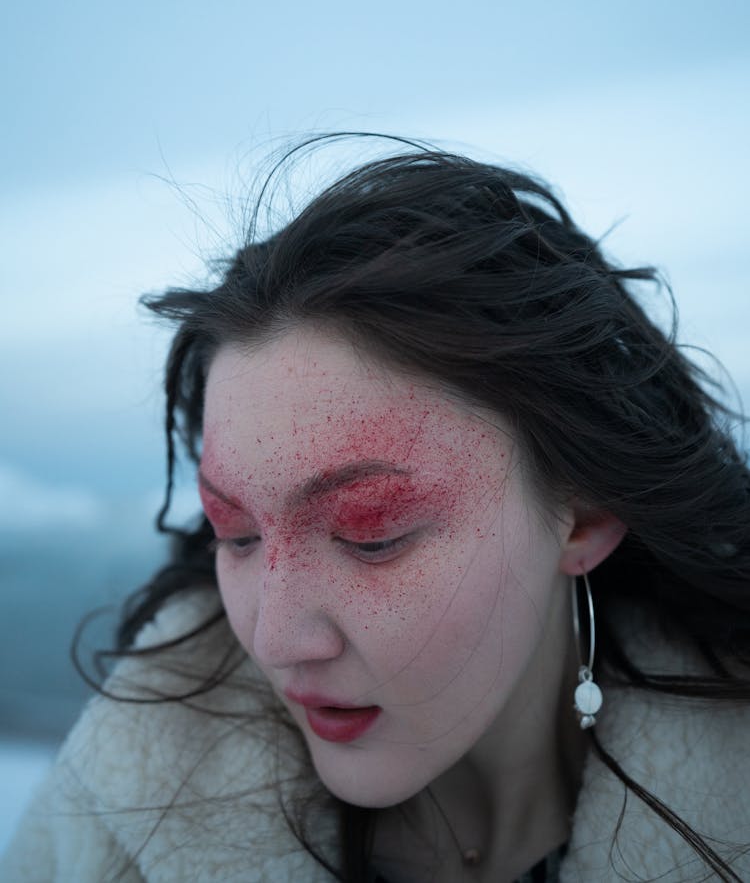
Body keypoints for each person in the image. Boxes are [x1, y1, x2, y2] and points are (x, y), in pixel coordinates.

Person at [3, 138, 749, 883]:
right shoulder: (111, 838)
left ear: (583, 513)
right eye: (235, 534)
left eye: (372, 535)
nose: (275, 638)